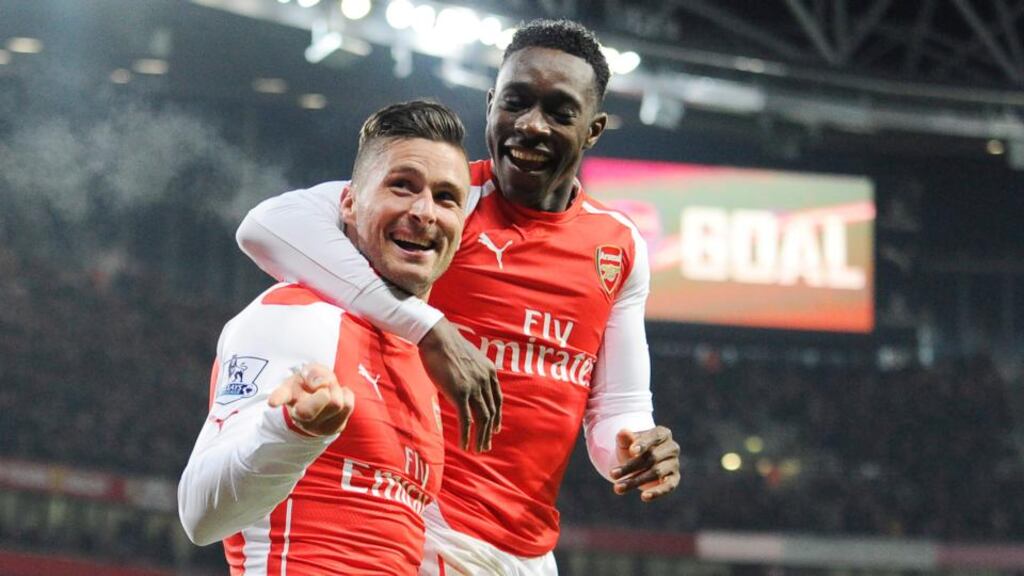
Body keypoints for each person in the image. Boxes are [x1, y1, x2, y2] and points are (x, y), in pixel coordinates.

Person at [236, 19, 681, 575]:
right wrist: (426, 326)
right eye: (515, 102)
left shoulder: (619, 247)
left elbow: (617, 407)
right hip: (428, 533)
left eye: (559, 112)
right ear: (491, 103)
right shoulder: (442, 204)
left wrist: (634, 448)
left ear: (593, 130)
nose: (530, 126)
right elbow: (266, 226)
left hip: (530, 553)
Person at [178, 100, 473, 574]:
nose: (425, 212)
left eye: (446, 198)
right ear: (350, 203)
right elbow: (200, 516)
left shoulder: (421, 359)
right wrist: (290, 432)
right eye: (402, 186)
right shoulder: (297, 315)